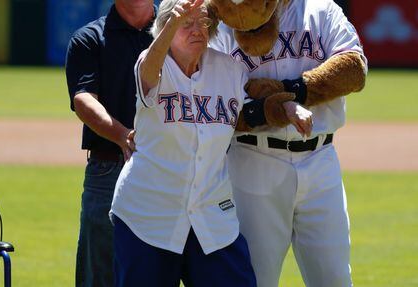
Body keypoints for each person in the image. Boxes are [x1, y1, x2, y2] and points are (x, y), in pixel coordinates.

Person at [110, 0, 311, 286]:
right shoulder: (152, 63)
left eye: (203, 23)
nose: (197, 30)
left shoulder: (228, 69)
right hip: (148, 216)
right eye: (186, 24)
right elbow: (148, 73)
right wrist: (171, 25)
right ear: (167, 27)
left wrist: (288, 108)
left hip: (211, 217)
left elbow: (252, 108)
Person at [210, 0, 368, 286]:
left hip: (320, 159)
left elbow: (354, 70)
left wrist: (289, 92)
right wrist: (272, 108)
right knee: (255, 278)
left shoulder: (321, 10)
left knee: (335, 279)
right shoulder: (228, 16)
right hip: (253, 160)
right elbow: (218, 104)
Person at [65, 1, 155, 286]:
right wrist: (122, 135)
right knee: (100, 274)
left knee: (162, 270)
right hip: (109, 167)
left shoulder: (175, 31)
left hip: (172, 170)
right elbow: (83, 99)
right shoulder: (89, 38)